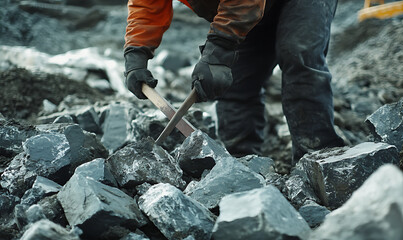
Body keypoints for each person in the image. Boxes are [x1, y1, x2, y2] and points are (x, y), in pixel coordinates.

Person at [123, 0, 345, 165]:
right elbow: (146, 5)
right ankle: (242, 164)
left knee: (299, 56)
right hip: (247, 8)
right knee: (235, 80)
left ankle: (321, 161)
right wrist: (136, 54)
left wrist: (219, 47)